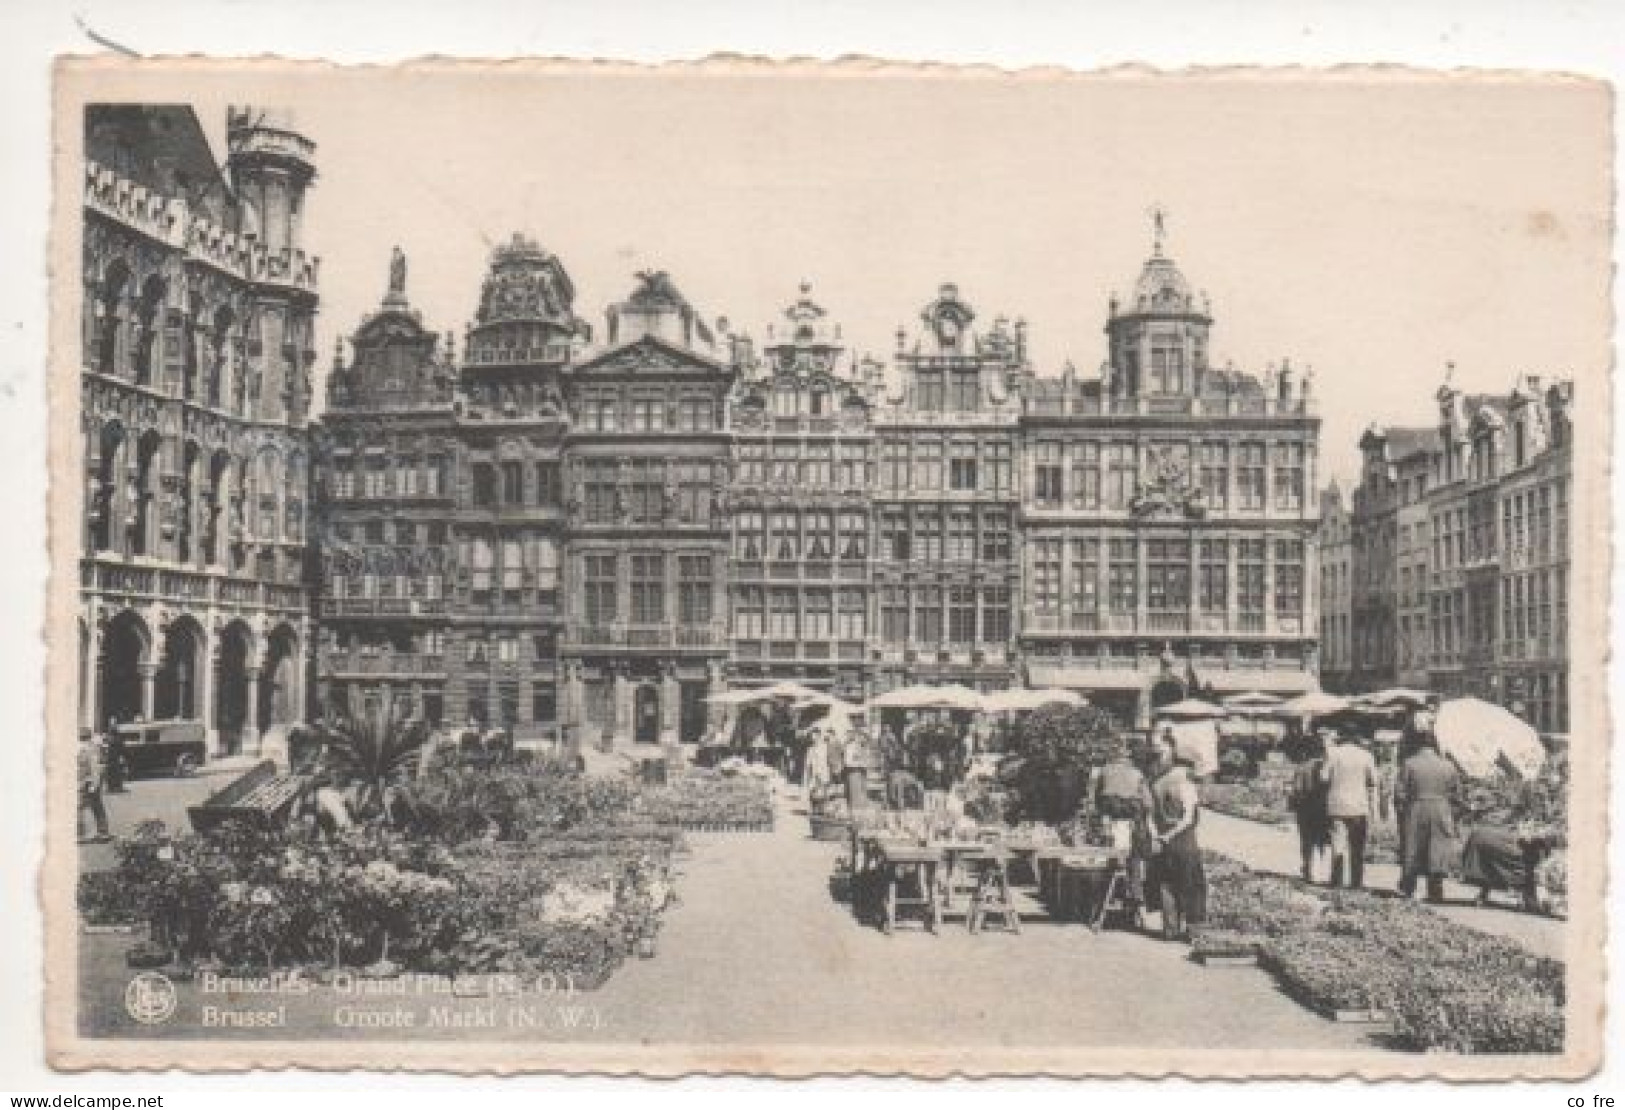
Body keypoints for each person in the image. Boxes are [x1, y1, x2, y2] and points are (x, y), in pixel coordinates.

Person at [1148, 743, 1206, 940]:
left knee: (1167, 884)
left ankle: (1170, 929)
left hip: (1164, 842)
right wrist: (1170, 835)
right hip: (1184, 841)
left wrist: (1160, 835)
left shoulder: (1157, 783)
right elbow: (1188, 819)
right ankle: (1193, 931)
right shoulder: (1186, 785)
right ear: (1188, 766)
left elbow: (1151, 815)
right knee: (1193, 884)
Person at [1396, 733, 1460, 903]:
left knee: (1413, 846)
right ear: (1436, 746)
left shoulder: (1409, 763)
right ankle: (1435, 889)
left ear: (1418, 745)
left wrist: (1402, 809)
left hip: (1416, 807)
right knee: (1438, 848)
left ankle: (1409, 888)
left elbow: (1400, 793)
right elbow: (1456, 793)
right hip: (1441, 809)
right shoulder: (1448, 766)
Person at [1319, 727, 1378, 889]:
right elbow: (1373, 780)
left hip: (1337, 805)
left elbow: (1323, 778)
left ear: (1341, 737)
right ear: (1357, 738)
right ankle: (1356, 882)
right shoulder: (1366, 755)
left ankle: (1336, 880)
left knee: (1338, 844)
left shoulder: (1332, 753)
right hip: (1359, 806)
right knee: (1357, 847)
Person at [1287, 731, 1332, 883]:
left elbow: (1297, 790)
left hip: (1305, 810)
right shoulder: (1326, 766)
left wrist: (1293, 803)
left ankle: (1308, 870)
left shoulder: (1302, 768)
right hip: (1323, 808)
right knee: (1322, 840)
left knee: (1306, 841)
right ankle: (1323, 871)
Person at [77, 728, 111, 842]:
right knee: (95, 807)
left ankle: (83, 834)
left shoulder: (89, 750)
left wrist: (94, 785)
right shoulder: (88, 749)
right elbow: (95, 768)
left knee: (82, 808)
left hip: (87, 782)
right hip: (85, 782)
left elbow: (95, 768)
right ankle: (102, 832)